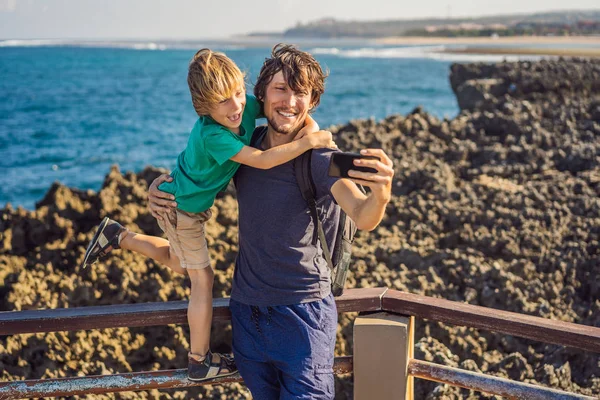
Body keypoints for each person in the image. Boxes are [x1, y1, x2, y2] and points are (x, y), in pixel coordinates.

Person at [148, 44, 394, 398]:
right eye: (281, 89)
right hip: (247, 314)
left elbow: (362, 215)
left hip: (303, 315)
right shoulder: (248, 141)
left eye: (301, 93)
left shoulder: (324, 158)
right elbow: (198, 168)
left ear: (312, 102)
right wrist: (158, 188)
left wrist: (381, 194)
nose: (289, 102)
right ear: (260, 95)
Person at [80, 48, 336, 381]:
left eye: (236, 95)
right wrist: (308, 142)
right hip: (180, 209)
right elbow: (263, 160)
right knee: (202, 278)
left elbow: (290, 111)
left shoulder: (242, 106)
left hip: (191, 205)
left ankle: (119, 236)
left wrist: (312, 128)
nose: (235, 107)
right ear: (204, 108)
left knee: (178, 261)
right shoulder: (213, 134)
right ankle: (199, 360)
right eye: (222, 102)